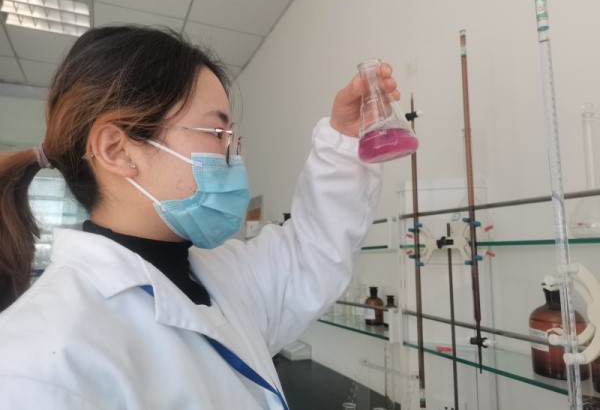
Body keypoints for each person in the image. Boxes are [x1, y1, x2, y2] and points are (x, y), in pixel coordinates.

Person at [0, 25, 399, 409]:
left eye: (232, 138)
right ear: (117, 150)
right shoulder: (37, 364)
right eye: (216, 133)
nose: (232, 157)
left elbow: (311, 253)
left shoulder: (219, 274)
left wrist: (344, 140)